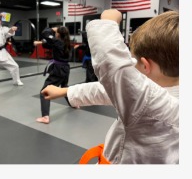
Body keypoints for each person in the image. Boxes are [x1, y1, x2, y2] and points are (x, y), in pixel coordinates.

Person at [43, 10, 179, 164]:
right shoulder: (172, 95)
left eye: (134, 62)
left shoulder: (152, 102)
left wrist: (109, 21)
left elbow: (112, 64)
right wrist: (65, 91)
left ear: (146, 66)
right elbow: (107, 90)